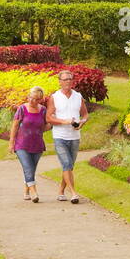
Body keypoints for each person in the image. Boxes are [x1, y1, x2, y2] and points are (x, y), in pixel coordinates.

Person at [46, 69, 88, 204]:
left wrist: (81, 123)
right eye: (65, 79)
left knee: (69, 167)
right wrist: (64, 121)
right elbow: (48, 118)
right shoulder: (54, 97)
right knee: (67, 164)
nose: (68, 82)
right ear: (59, 82)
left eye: (70, 79)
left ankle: (61, 191)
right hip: (60, 136)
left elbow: (85, 115)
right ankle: (74, 193)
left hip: (75, 137)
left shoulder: (78, 96)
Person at [8, 86, 49, 201]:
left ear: (40, 100)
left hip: (37, 144)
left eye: (35, 99)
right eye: (30, 97)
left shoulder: (43, 110)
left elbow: (46, 125)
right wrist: (11, 143)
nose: (31, 100)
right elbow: (15, 126)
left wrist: (49, 125)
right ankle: (34, 193)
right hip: (21, 144)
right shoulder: (22, 109)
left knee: (31, 169)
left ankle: (26, 191)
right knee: (28, 168)